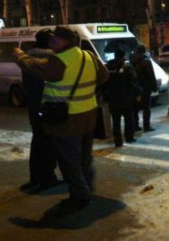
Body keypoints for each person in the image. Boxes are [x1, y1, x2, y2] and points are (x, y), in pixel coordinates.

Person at [13, 25, 109, 211]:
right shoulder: (89, 56)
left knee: (69, 161)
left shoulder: (60, 60)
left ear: (65, 41)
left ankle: (80, 197)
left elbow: (37, 68)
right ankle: (87, 188)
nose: (51, 43)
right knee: (84, 158)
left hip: (68, 118)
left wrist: (19, 56)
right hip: (89, 114)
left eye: (54, 40)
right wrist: (87, 89)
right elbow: (104, 76)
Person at [14, 28, 60, 193]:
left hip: (34, 106)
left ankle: (35, 177)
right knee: (49, 142)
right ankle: (48, 178)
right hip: (49, 106)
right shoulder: (52, 58)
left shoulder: (28, 57)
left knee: (38, 141)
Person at [104, 49, 142, 146]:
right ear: (123, 56)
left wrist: (105, 96)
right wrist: (138, 93)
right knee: (129, 119)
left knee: (116, 121)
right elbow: (133, 81)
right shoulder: (127, 66)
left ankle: (118, 141)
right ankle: (129, 137)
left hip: (113, 99)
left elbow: (104, 83)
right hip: (126, 98)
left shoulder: (107, 66)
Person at [131, 44, 157, 133]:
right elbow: (151, 75)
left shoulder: (131, 59)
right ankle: (146, 126)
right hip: (145, 87)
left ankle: (135, 126)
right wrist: (154, 87)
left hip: (135, 87)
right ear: (144, 51)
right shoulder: (146, 61)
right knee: (146, 107)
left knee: (135, 107)